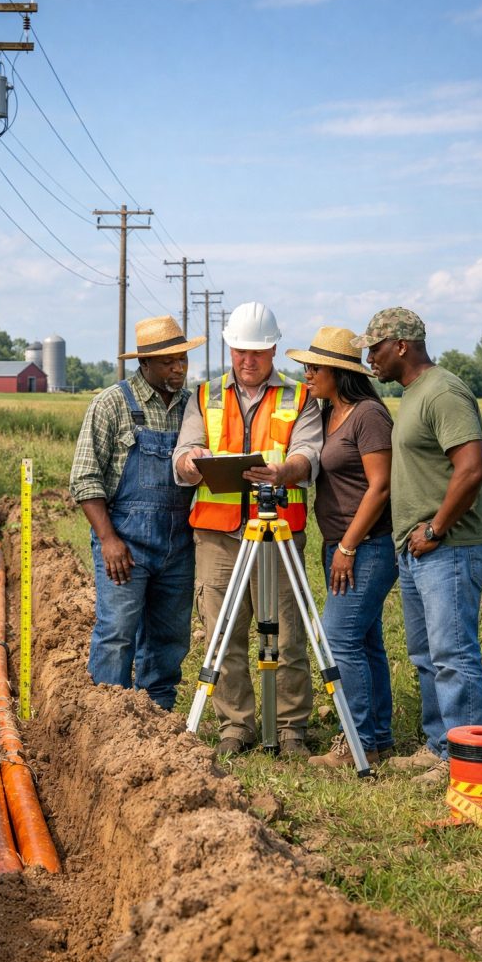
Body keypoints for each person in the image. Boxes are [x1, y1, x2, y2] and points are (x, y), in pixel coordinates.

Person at [352, 307, 482, 788]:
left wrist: (435, 529)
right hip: (420, 549)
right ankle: (440, 747)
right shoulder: (414, 394)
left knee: (453, 655)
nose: (369, 357)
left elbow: (472, 468)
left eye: (374, 348)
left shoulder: (443, 391)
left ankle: (466, 762)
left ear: (400, 345)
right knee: (426, 654)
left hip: (450, 546)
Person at [173, 302, 323, 757]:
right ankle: (235, 727)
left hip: (277, 532)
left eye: (257, 352)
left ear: (274, 348)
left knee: (288, 636)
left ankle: (291, 727)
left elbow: (308, 455)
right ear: (230, 348)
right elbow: (182, 456)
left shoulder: (299, 397)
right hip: (218, 536)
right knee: (223, 636)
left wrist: (286, 471)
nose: (248, 361)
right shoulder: (205, 396)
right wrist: (192, 463)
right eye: (240, 351)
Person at [70, 315, 206, 711]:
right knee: (117, 632)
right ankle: (108, 717)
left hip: (178, 540)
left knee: (170, 635)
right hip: (124, 540)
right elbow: (84, 478)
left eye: (182, 359)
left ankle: (158, 716)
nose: (178, 368)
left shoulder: (192, 407)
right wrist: (109, 540)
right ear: (144, 364)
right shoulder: (112, 404)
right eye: (168, 362)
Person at [285, 327, 397, 769]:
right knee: (366, 642)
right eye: (306, 366)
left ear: (338, 372)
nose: (307, 374)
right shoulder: (328, 411)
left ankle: (357, 743)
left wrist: (348, 547)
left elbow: (381, 485)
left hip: (366, 545)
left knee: (340, 639)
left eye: (314, 367)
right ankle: (378, 738)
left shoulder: (367, 414)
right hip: (341, 543)